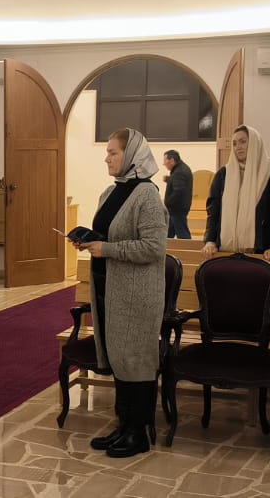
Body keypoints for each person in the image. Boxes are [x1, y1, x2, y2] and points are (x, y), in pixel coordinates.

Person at [73, 128, 168, 459]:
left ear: (131, 156)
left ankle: (138, 433)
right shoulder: (111, 192)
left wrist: (108, 249)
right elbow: (108, 235)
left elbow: (153, 247)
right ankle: (123, 425)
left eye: (113, 152)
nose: (107, 158)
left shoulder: (147, 195)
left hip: (136, 295)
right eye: (108, 152)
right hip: (109, 288)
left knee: (135, 361)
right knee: (119, 359)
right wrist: (89, 240)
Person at [201, 125, 270, 264]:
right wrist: (210, 241)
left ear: (255, 144)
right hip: (225, 252)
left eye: (243, 142)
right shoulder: (223, 174)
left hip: (259, 253)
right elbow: (213, 213)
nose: (238, 147)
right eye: (234, 143)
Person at [162, 149, 193, 239]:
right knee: (168, 234)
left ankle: (187, 248)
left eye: (165, 161)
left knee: (183, 235)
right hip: (176, 209)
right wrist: (169, 179)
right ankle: (165, 247)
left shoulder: (179, 172)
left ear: (172, 160)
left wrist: (168, 202)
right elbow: (178, 184)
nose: (164, 164)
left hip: (177, 209)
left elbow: (178, 191)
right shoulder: (180, 169)